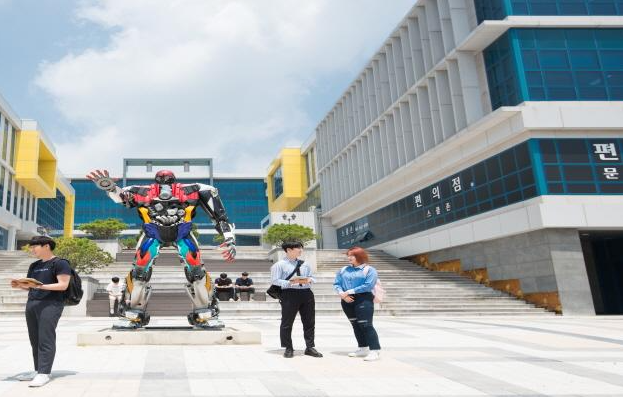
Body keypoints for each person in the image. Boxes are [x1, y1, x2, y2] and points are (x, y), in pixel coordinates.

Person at [10, 236, 71, 387]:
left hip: (51, 304)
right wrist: (20, 285)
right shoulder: (34, 265)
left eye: (34, 246)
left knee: (46, 338)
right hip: (32, 303)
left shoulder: (60, 263)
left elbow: (63, 285)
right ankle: (38, 370)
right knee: (35, 339)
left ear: (46, 246)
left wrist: (40, 286)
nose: (32, 249)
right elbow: (31, 285)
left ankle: (44, 373)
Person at [270, 241, 322, 358]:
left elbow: (313, 277)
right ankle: (288, 348)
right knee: (287, 322)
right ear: (288, 250)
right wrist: (290, 282)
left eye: (301, 248)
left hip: (307, 294)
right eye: (298, 248)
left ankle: (310, 347)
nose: (301, 250)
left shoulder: (305, 264)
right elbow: (275, 280)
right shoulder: (279, 265)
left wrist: (310, 280)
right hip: (289, 294)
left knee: (309, 321)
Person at [333, 246, 381, 361]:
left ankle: (375, 350)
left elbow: (368, 285)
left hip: (363, 299)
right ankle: (363, 348)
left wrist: (348, 292)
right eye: (348, 255)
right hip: (346, 300)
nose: (349, 257)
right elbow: (337, 283)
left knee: (366, 324)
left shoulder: (369, 270)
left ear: (360, 256)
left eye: (352, 255)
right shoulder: (344, 270)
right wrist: (342, 294)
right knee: (355, 325)